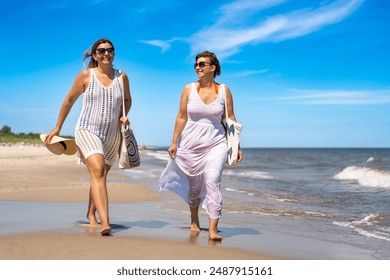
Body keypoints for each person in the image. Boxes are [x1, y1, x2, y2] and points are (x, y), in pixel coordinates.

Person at [44, 38, 131, 236]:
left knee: (99, 175)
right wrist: (57, 127)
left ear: (114, 53)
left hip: (112, 134)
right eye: (101, 51)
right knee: (98, 171)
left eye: (110, 50)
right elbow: (68, 101)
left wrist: (124, 116)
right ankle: (105, 223)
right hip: (87, 130)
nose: (106, 54)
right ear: (94, 55)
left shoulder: (122, 77)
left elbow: (127, 100)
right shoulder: (86, 76)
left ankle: (91, 212)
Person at [159, 51, 243, 241]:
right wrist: (174, 142)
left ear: (213, 68)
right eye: (196, 64)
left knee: (213, 180)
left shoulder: (224, 90)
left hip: (216, 143)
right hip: (190, 144)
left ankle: (213, 230)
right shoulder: (188, 89)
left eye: (202, 64)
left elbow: (230, 119)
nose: (198, 67)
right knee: (195, 187)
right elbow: (181, 116)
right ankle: (194, 218)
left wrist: (236, 145)